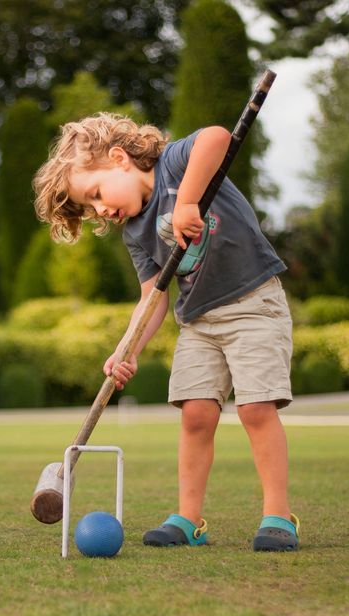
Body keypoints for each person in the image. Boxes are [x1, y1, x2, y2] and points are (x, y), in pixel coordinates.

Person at [32, 113, 299, 551]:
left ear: (119, 159)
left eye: (96, 194)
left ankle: (278, 515)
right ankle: (189, 520)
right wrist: (127, 350)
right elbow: (152, 296)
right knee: (195, 413)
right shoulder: (136, 232)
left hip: (253, 303)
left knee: (255, 409)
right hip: (198, 320)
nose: (100, 210)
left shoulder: (174, 166)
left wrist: (189, 201)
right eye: (90, 208)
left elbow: (215, 138)